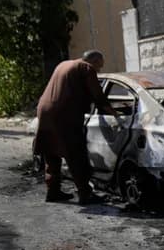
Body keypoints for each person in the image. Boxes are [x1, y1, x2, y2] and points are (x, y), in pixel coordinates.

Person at [33, 50, 116, 204]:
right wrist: (114, 112)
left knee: (51, 153)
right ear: (94, 61)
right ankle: (85, 194)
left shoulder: (64, 64)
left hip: (44, 111)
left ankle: (53, 192)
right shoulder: (86, 68)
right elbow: (98, 95)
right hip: (63, 115)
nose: (99, 71)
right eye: (99, 67)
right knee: (76, 154)